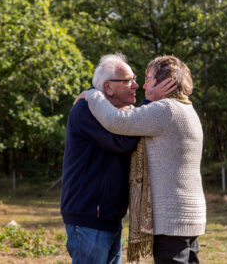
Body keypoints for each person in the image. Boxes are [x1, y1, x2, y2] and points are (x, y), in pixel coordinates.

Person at [82, 55, 206, 263]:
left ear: (164, 83)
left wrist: (92, 95)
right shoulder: (186, 108)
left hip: (172, 218)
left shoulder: (166, 109)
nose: (143, 84)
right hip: (189, 215)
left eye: (148, 78)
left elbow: (116, 121)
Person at [60, 53, 173, 264]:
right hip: (89, 217)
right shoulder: (87, 109)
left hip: (109, 217)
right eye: (128, 81)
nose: (136, 86)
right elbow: (123, 143)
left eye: (135, 79)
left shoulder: (121, 113)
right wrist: (149, 103)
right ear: (108, 87)